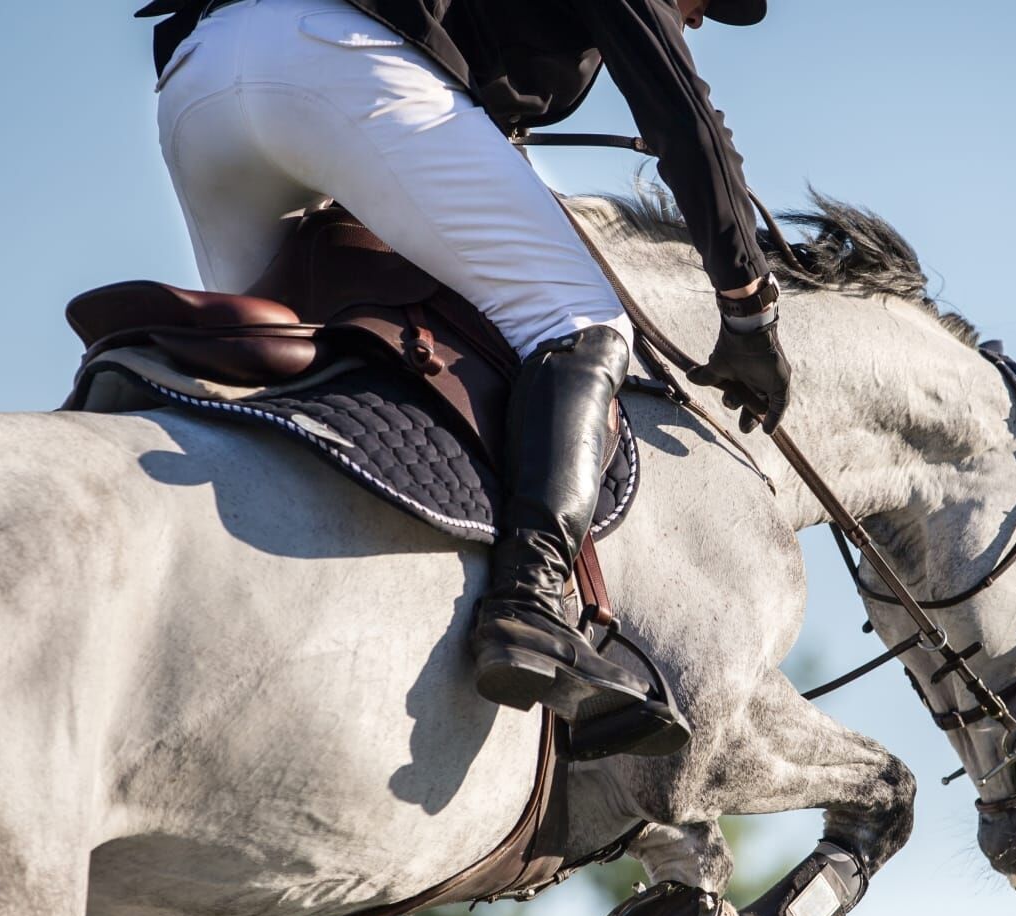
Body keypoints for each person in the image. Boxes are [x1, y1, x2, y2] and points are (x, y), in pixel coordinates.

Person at [135, 0, 790, 757]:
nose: (700, 19)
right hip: (335, 57)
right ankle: (530, 600)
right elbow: (683, 115)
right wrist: (748, 307)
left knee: (272, 369)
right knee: (581, 319)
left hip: (201, 80)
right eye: (707, 2)